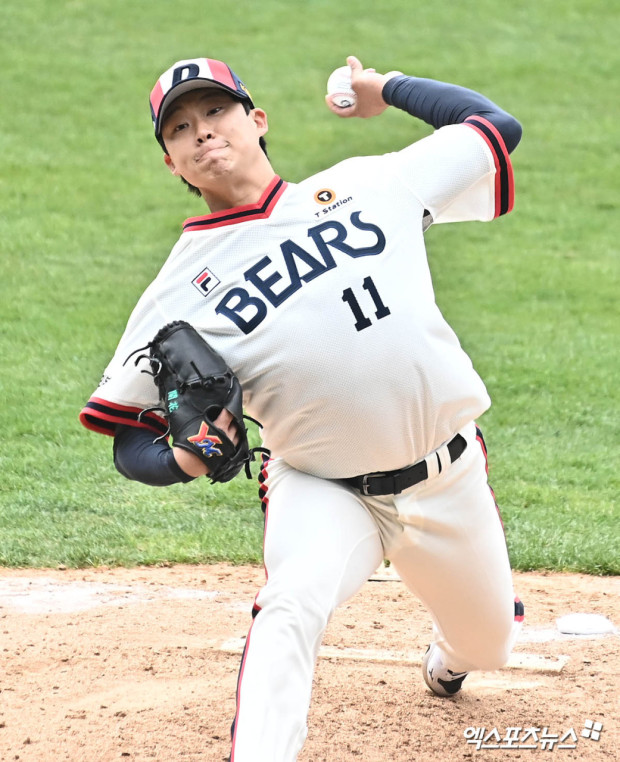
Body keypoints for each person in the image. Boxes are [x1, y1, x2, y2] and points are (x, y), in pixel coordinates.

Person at [80, 54, 525, 761]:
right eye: (181, 129)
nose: (203, 132)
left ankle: (452, 654)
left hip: (448, 477)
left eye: (216, 111)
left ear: (257, 120)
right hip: (324, 489)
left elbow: (496, 126)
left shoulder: (370, 184)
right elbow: (126, 438)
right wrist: (180, 459)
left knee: (489, 643)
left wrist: (385, 89)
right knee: (289, 603)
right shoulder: (176, 292)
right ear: (172, 163)